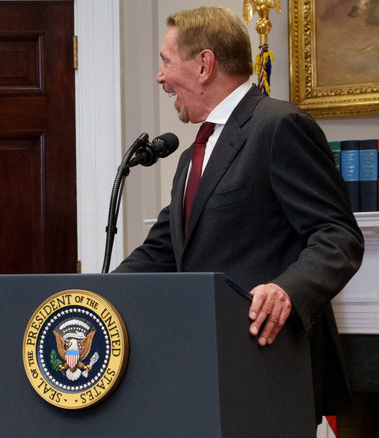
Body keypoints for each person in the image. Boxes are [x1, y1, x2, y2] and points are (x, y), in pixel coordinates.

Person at [114, 7, 364, 422]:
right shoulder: (194, 152)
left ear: (204, 63)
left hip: (269, 369)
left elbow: (338, 235)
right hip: (208, 373)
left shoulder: (279, 126)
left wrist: (287, 290)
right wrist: (96, 297)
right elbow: (161, 251)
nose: (159, 77)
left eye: (165, 61)